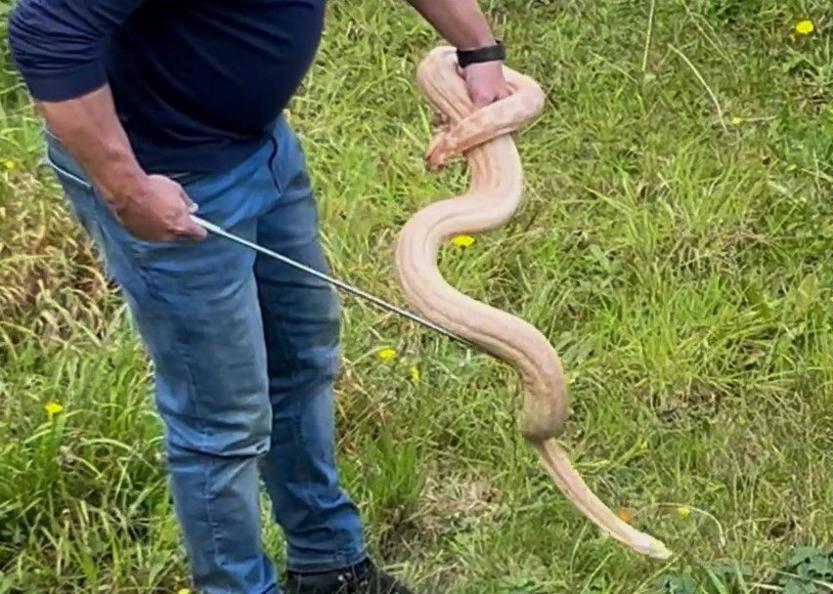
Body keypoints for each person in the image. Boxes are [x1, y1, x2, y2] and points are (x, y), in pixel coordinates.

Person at [6, 1, 510, 593]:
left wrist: (478, 49)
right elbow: (47, 31)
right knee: (222, 418)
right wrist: (126, 188)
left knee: (301, 358)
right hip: (171, 185)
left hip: (260, 147)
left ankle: (329, 565)